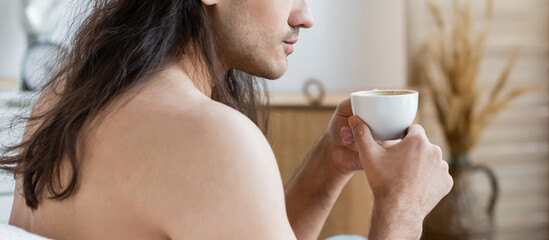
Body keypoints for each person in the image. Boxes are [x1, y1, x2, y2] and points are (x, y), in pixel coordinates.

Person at [0, 0, 453, 239]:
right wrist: (402, 210)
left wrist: (327, 167)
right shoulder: (211, 138)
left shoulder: (65, 97)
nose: (306, 16)